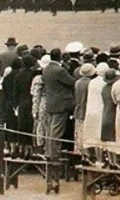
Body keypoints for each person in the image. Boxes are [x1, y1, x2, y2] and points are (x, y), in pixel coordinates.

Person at [42, 49, 75, 191]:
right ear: (60, 57)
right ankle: (52, 153)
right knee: (56, 132)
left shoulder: (47, 69)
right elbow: (72, 82)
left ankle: (50, 151)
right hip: (60, 104)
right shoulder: (59, 70)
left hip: (50, 103)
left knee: (51, 131)